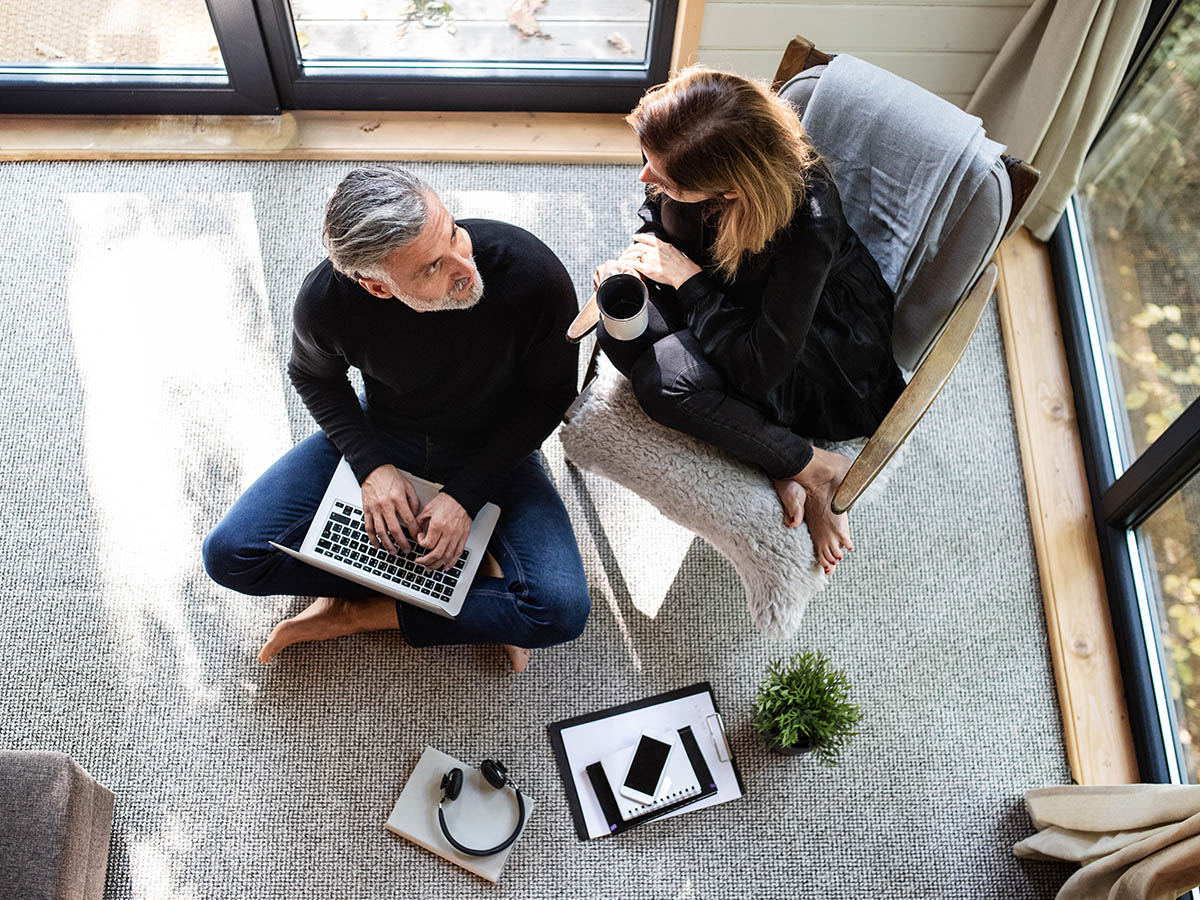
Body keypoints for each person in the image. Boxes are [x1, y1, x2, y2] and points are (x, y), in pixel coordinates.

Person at [203, 166, 590, 671]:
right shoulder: (326, 302)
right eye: (431, 267)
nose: (465, 267)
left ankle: (361, 613)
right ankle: (470, 589)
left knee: (558, 612)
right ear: (378, 287)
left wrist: (466, 498)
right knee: (230, 556)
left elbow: (550, 396)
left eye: (452, 231)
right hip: (386, 433)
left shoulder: (529, 271)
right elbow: (314, 378)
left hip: (496, 448)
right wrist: (372, 468)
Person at [593, 68, 907, 575]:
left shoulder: (810, 222)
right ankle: (791, 461)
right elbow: (657, 215)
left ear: (732, 192)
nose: (645, 178)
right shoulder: (677, 142)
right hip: (714, 289)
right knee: (616, 324)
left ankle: (813, 469)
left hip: (809, 342)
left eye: (666, 179)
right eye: (647, 159)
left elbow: (762, 367)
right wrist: (643, 257)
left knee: (665, 385)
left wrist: (688, 282)